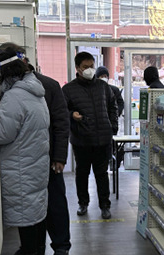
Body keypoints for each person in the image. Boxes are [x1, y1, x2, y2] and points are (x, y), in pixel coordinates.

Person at [0, 43, 72, 255]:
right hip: (25, 159)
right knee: (29, 206)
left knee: (54, 202)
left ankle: (60, 244)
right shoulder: (8, 88)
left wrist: (59, 157)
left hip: (47, 158)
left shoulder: (48, 85)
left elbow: (61, 123)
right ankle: (31, 248)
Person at [0, 48, 51, 255]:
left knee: (26, 217)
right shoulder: (35, 92)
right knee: (36, 214)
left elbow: (2, 134)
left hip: (20, 166)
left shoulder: (14, 96)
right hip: (34, 163)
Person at [62, 52, 118, 220]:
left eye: (91, 66)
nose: (89, 70)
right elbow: (61, 111)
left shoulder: (103, 87)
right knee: (82, 174)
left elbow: (113, 107)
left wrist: (112, 128)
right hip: (82, 140)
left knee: (102, 174)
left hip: (102, 140)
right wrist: (72, 115)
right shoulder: (68, 89)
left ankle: (105, 206)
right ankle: (83, 203)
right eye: (85, 67)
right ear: (77, 68)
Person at [96, 66, 125, 168]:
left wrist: (115, 114)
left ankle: (113, 163)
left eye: (105, 76)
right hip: (98, 126)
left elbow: (120, 103)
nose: (104, 78)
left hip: (111, 124)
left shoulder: (114, 90)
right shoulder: (95, 91)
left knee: (111, 145)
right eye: (101, 76)